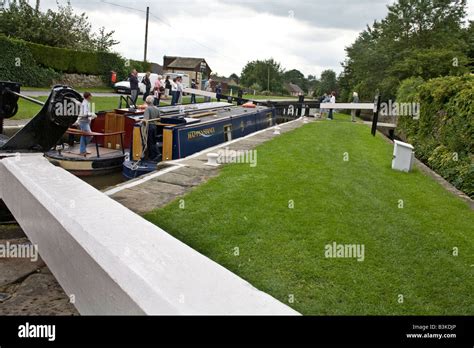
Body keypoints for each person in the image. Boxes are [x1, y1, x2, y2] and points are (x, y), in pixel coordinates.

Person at [78, 92, 97, 156]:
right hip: (83, 122)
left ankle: (83, 150)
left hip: (85, 122)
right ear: (88, 96)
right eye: (91, 95)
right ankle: (82, 150)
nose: (92, 96)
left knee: (84, 136)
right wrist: (92, 114)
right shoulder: (85, 103)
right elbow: (84, 114)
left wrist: (90, 115)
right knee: (89, 135)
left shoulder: (86, 102)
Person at [142, 96, 161, 161]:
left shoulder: (147, 109)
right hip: (154, 127)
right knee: (153, 142)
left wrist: (142, 121)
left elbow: (146, 119)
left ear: (147, 102)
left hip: (149, 127)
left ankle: (154, 155)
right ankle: (156, 154)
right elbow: (159, 118)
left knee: (150, 142)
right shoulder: (156, 109)